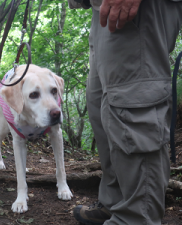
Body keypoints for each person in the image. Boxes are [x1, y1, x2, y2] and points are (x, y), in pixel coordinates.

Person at [67, 0, 182, 224]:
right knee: (103, 108)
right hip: (102, 11)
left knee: (133, 104)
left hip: (143, 10)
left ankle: (136, 217)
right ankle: (115, 203)